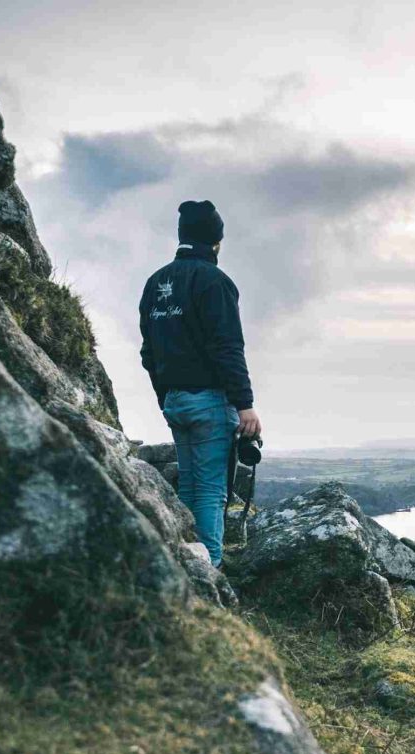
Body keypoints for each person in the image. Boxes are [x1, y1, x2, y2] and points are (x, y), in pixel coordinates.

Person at [139, 200, 261, 567]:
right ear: (216, 242)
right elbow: (228, 347)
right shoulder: (215, 282)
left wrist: (165, 397)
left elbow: (149, 352)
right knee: (210, 492)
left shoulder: (156, 282)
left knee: (190, 487)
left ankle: (186, 565)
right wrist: (245, 404)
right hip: (209, 402)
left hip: (176, 401)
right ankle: (209, 574)